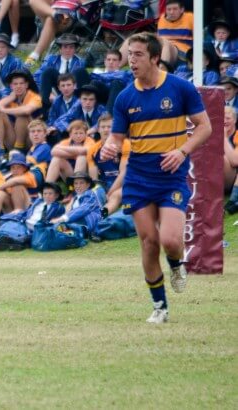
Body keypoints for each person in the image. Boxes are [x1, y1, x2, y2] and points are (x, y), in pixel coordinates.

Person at [101, 32, 211, 324]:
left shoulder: (180, 88)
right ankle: (160, 307)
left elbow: (204, 127)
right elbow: (116, 137)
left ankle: (176, 264)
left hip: (171, 173)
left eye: (137, 55)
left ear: (154, 58)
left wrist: (182, 151)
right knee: (149, 242)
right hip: (138, 174)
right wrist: (110, 147)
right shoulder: (125, 97)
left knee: (171, 240)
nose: (131, 61)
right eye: (129, 55)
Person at [0, 69, 42, 152]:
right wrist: (10, 98)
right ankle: (0, 151)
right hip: (13, 140)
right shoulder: (10, 97)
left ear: (26, 85)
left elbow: (26, 111)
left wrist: (4, 109)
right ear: (11, 86)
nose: (18, 86)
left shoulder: (35, 97)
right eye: (15, 84)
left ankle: (19, 150)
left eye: (21, 83)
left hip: (32, 140)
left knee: (22, 115)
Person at [45, 120, 95, 184]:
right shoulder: (67, 141)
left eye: (81, 133)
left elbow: (85, 151)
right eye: (76, 133)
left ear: (86, 134)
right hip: (70, 172)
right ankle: (47, 185)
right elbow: (53, 151)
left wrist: (63, 150)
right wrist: (76, 152)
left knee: (81, 157)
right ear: (70, 134)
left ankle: (77, 185)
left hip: (86, 173)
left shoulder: (89, 140)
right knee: (56, 159)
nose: (78, 136)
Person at [156, 0, 193, 66]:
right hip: (162, 51)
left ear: (182, 10)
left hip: (183, 53)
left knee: (166, 43)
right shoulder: (162, 19)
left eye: (175, 9)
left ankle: (163, 68)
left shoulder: (190, 18)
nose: (171, 12)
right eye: (169, 9)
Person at [223, 107, 238, 214]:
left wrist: (223, 138)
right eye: (222, 118)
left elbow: (234, 161)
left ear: (235, 120)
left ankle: (232, 200)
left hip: (232, 178)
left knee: (221, 157)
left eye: (228, 118)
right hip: (215, 180)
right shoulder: (211, 134)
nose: (224, 121)